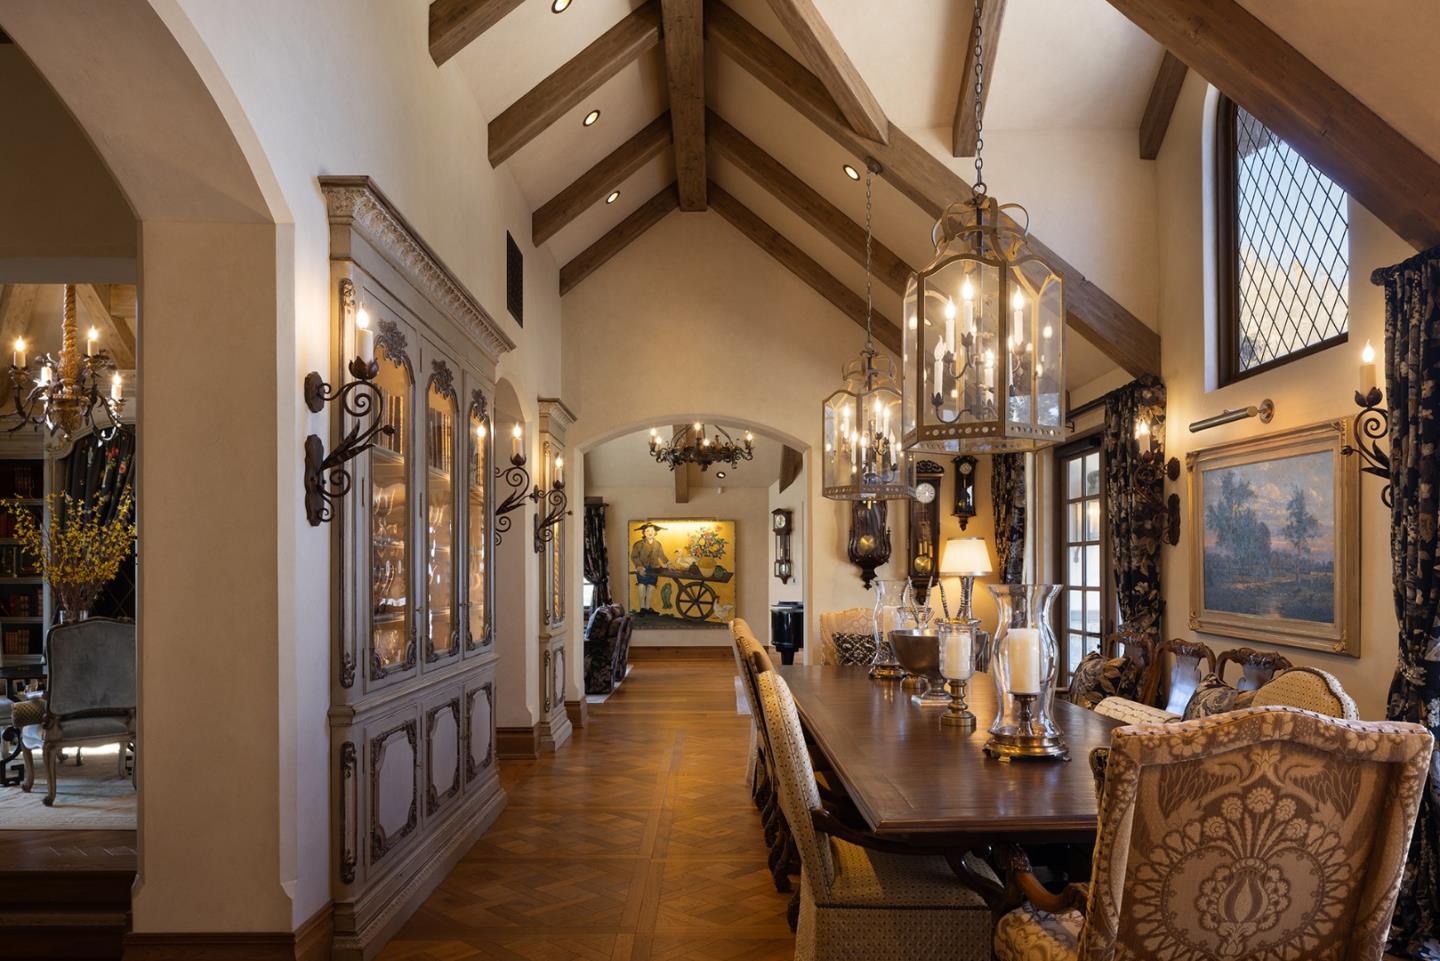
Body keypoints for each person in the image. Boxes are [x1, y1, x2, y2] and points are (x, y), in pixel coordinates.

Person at [630, 522, 668, 615]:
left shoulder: (658, 544)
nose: (650, 533)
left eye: (652, 530)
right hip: (642, 568)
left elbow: (662, 556)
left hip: (654, 568)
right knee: (642, 585)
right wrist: (639, 567)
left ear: (655, 532)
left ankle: (647, 608)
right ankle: (642, 608)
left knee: (651, 587)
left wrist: (667, 563)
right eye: (647, 531)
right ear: (644, 533)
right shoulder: (638, 544)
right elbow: (634, 556)